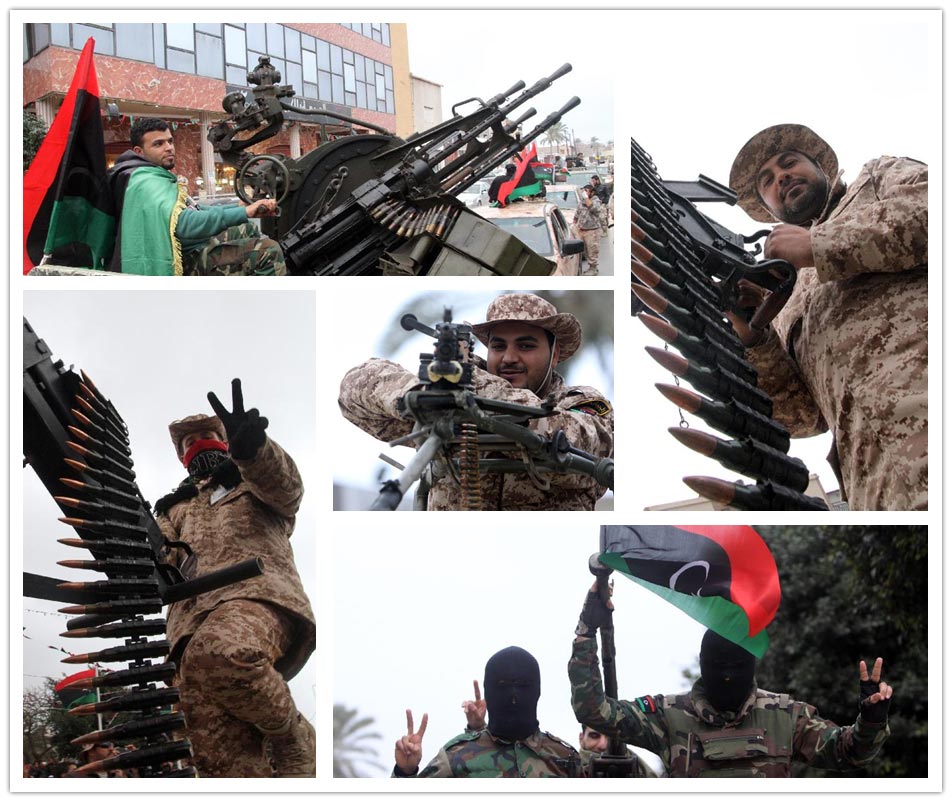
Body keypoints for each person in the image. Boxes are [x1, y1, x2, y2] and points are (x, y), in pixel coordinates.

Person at [726, 123, 927, 510]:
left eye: (789, 164)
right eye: (767, 181)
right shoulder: (785, 290)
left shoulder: (877, 178)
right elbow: (804, 415)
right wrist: (754, 335)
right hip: (879, 484)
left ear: (821, 168)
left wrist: (820, 245)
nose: (781, 177)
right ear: (767, 208)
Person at [155, 379, 316, 777]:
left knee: (224, 649)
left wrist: (254, 451)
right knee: (221, 762)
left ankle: (293, 734)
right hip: (189, 631)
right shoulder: (173, 509)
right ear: (180, 457)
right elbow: (160, 562)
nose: (200, 443)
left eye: (210, 435)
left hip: (257, 597)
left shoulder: (250, 479)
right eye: (189, 441)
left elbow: (287, 489)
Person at [569, 585, 893, 777]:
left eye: (737, 666)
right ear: (702, 665)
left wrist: (871, 720)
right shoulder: (667, 715)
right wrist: (587, 630)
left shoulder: (785, 715)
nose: (727, 676)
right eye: (717, 666)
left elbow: (848, 751)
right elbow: (593, 711)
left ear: (750, 666)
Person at [338, 293, 614, 510]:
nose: (508, 358)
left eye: (526, 346)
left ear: (554, 356)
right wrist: (419, 393)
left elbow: (580, 443)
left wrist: (476, 385)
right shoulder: (453, 400)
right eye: (498, 346)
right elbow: (354, 390)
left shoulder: (582, 403)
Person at [106, 117, 286, 276]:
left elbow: (196, 209)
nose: (169, 148)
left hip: (189, 246)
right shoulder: (145, 181)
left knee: (247, 228)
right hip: (181, 260)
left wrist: (241, 210)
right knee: (268, 251)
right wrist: (244, 212)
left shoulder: (153, 174)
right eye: (158, 144)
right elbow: (184, 224)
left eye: (170, 141)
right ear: (139, 151)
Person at [392, 647, 581, 778]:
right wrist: (405, 771)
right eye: (502, 686)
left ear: (537, 691)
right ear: (489, 691)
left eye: (523, 685)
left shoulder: (564, 758)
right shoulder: (456, 756)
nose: (513, 697)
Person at [578, 725, 658, 778]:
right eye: (594, 736)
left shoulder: (642, 771)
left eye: (610, 737)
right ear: (581, 739)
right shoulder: (569, 769)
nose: (603, 745)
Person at [573, 185, 603, 275]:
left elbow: (594, 208)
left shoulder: (595, 201)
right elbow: (578, 212)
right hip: (582, 229)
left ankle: (593, 268)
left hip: (592, 230)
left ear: (592, 192)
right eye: (584, 191)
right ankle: (590, 267)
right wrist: (574, 221)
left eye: (586, 191)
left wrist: (586, 198)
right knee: (585, 250)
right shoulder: (582, 202)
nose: (584, 193)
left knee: (592, 250)